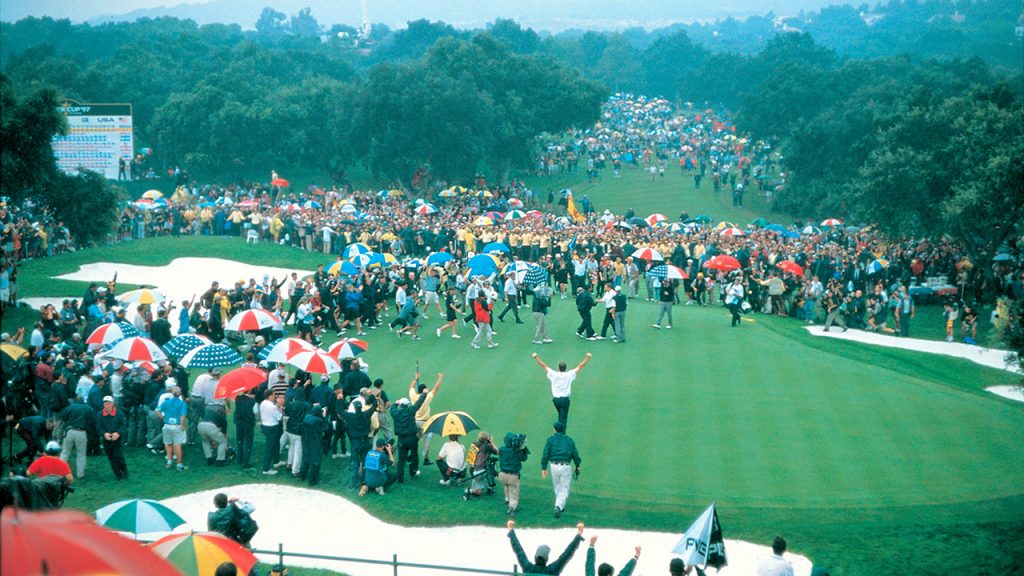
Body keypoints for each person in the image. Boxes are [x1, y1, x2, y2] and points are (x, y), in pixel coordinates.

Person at [391, 372, 439, 483]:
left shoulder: (395, 413)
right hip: (412, 438)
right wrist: (424, 394)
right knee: (414, 456)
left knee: (401, 459)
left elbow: (392, 408)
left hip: (402, 439)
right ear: (406, 405)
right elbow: (419, 403)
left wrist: (395, 403)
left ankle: (400, 477)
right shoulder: (410, 411)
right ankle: (413, 472)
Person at [531, 352, 592, 430]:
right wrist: (588, 358)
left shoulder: (553, 374)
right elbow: (580, 366)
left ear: (558, 368)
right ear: (565, 368)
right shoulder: (569, 375)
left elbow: (543, 365)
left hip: (556, 400)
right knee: (563, 419)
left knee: (561, 415)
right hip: (564, 400)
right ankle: (561, 435)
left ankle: (558, 430)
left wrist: (536, 357)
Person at [506, 520, 584, 575]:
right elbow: (566, 554)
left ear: (535, 557)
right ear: (546, 560)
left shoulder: (528, 568)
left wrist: (511, 531)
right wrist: (578, 535)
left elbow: (519, 551)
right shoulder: (552, 570)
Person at [541, 420, 581, 518]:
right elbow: (575, 454)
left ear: (555, 429)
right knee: (564, 488)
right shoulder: (569, 440)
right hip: (565, 466)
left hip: (553, 466)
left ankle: (560, 505)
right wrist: (577, 464)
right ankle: (558, 506)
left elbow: (546, 454)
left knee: (557, 486)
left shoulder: (551, 440)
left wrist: (544, 468)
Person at [59, 395, 93, 480]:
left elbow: (63, 417)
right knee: (81, 454)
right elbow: (91, 421)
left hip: (69, 431)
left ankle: (59, 472)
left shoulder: (70, 407)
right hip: (81, 432)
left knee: (65, 452)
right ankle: (80, 474)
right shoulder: (88, 408)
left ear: (75, 400)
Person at [156, 385, 188, 471]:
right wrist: (182, 425)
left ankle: (169, 462)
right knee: (177, 445)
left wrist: (162, 418)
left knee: (168, 444)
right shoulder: (182, 403)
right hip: (177, 426)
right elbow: (183, 415)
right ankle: (179, 464)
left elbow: (157, 410)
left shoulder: (166, 402)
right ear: (180, 394)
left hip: (167, 425)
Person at [498, 432, 530, 518]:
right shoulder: (518, 451)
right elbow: (524, 458)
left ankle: (507, 498)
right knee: (514, 493)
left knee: (506, 484)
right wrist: (523, 448)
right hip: (513, 476)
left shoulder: (501, 449)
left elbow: (497, 450)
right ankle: (511, 508)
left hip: (502, 475)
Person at [96, 395, 128, 480]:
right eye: (105, 404)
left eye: (109, 403)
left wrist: (118, 433)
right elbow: (98, 427)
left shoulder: (119, 413)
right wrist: (104, 434)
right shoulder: (100, 415)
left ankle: (124, 471)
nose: (107, 405)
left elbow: (123, 426)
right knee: (111, 457)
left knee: (118, 456)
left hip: (118, 439)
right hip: (107, 440)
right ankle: (118, 474)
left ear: (113, 404)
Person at [299, 403, 327, 485]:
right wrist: (324, 417)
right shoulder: (318, 421)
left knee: (306, 459)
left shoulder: (306, 417)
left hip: (305, 441)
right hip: (315, 443)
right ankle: (312, 480)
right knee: (316, 461)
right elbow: (325, 428)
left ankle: (302, 476)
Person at [466, 431, 498, 498]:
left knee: (478, 491)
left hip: (474, 471)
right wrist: (492, 442)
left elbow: (470, 459)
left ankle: (471, 489)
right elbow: (497, 452)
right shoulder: (488, 447)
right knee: (493, 468)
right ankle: (490, 487)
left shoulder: (474, 444)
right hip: (481, 472)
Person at [258, 389, 283, 475]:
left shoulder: (262, 403)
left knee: (276, 444)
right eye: (274, 395)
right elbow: (279, 417)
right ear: (270, 396)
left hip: (266, 426)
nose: (275, 397)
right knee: (270, 448)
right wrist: (279, 407)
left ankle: (276, 462)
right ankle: (266, 469)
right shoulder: (272, 407)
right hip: (272, 428)